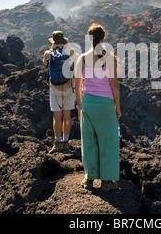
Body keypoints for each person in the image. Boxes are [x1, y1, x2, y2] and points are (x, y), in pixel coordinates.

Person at [75, 23, 121, 191]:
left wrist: (80, 107)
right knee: (108, 141)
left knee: (89, 142)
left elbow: (77, 85)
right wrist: (117, 107)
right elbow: (115, 86)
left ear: (89, 39)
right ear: (103, 39)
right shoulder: (109, 58)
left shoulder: (82, 58)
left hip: (88, 103)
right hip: (106, 104)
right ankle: (107, 182)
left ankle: (89, 179)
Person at [43, 31, 76, 154]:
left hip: (54, 87)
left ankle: (57, 144)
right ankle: (65, 142)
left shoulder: (48, 53)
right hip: (68, 86)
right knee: (67, 116)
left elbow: (45, 64)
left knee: (57, 117)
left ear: (53, 42)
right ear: (64, 41)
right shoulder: (71, 52)